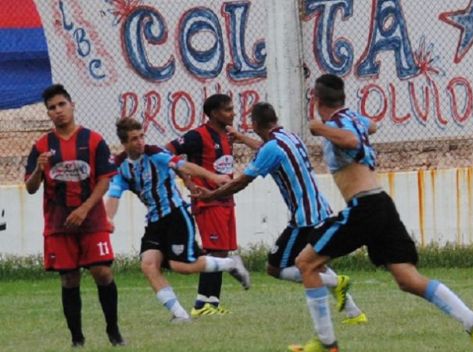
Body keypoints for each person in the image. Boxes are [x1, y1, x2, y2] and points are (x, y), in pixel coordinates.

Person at [287, 74, 473, 352]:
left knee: (305, 263)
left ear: (316, 99)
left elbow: (349, 141)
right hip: (381, 205)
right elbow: (372, 125)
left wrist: (320, 129)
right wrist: (354, 125)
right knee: (407, 279)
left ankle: (326, 341)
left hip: (364, 208)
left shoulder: (334, 126)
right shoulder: (353, 119)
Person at [194, 102, 366, 324]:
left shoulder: (271, 148)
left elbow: (241, 182)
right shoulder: (289, 137)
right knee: (317, 265)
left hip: (305, 219)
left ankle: (337, 283)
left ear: (255, 124)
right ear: (274, 120)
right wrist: (242, 138)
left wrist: (210, 195)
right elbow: (266, 149)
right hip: (320, 211)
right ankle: (355, 314)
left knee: (274, 267)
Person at [105, 118, 251, 322]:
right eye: (134, 139)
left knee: (181, 266)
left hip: (175, 215)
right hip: (155, 221)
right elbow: (114, 194)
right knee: (148, 265)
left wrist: (214, 178)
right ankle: (180, 315)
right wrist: (108, 218)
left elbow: (184, 165)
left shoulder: (154, 154)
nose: (140, 142)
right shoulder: (121, 166)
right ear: (125, 143)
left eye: (141, 136)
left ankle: (231, 264)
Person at [24, 84, 124, 347]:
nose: (58, 111)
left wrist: (84, 208)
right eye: (52, 108)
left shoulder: (93, 140)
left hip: (92, 220)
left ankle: (114, 332)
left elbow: (104, 180)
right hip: (58, 223)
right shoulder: (42, 146)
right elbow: (31, 188)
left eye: (61, 105)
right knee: (69, 278)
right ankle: (77, 339)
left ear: (72, 105)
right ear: (48, 114)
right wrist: (38, 170)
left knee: (102, 271)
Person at [166, 94, 239, 318]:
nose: (232, 113)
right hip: (208, 202)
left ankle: (209, 303)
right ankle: (202, 305)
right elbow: (167, 152)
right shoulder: (197, 136)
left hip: (226, 199)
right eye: (227, 110)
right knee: (214, 250)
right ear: (215, 113)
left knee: (223, 251)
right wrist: (188, 181)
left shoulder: (227, 135)